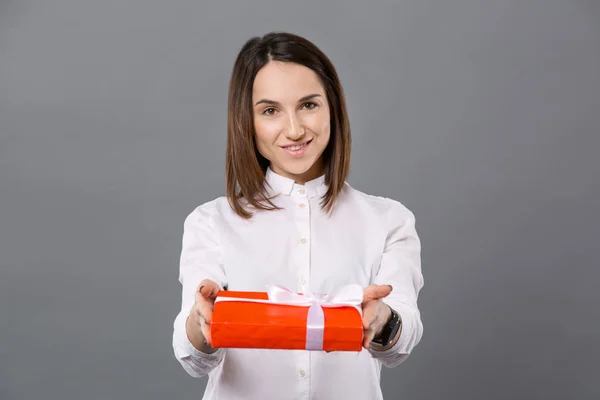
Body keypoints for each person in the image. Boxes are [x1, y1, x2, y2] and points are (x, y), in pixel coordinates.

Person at [172, 32, 424, 400]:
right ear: (247, 120)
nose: (294, 129)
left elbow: (401, 343)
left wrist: (384, 321)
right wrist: (202, 323)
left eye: (308, 105)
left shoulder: (389, 221)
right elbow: (192, 357)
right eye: (270, 110)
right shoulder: (211, 223)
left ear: (333, 108)